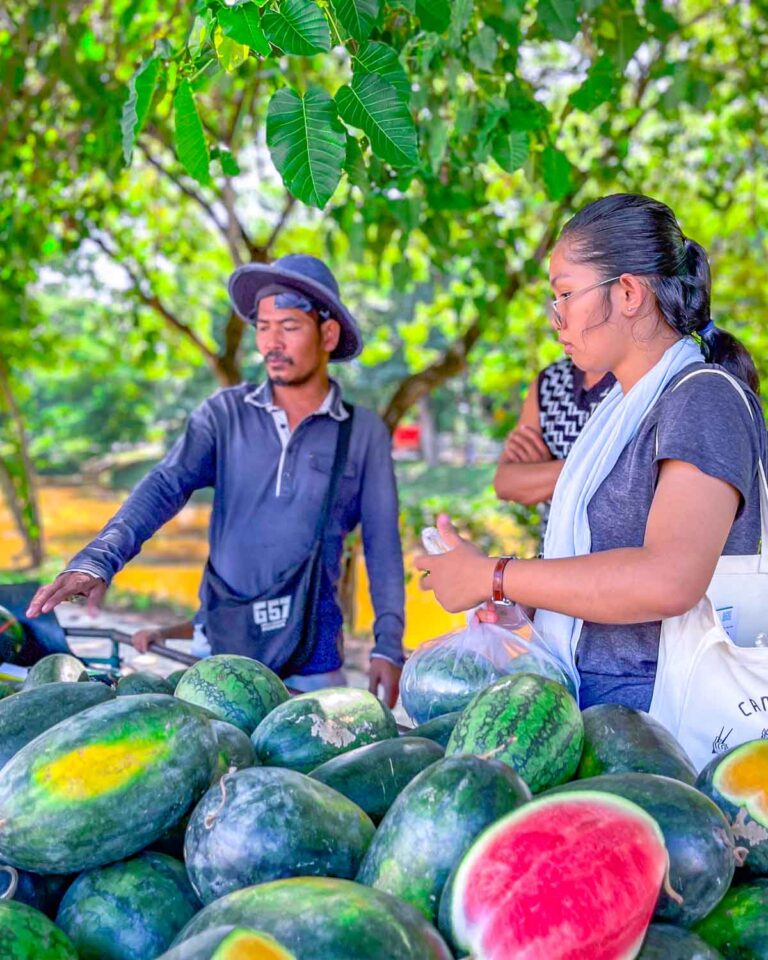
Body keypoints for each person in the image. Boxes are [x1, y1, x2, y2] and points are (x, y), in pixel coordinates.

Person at [417, 194, 766, 711]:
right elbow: (601, 572)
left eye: (564, 294)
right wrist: (526, 609)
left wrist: (494, 574)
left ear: (627, 293)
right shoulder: (618, 412)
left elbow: (668, 579)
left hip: (662, 732)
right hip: (599, 715)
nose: (556, 318)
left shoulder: (702, 398)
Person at [27, 254, 406, 706]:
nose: (271, 343)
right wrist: (97, 560)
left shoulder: (362, 433)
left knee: (302, 763)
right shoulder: (223, 415)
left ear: (328, 333)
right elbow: (165, 486)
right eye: (263, 327)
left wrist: (387, 643)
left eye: (288, 326)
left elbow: (383, 544)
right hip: (219, 649)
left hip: (313, 661)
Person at [494, 359, 614, 539]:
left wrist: (542, 472)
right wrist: (603, 468)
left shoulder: (636, 380)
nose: (558, 329)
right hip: (552, 554)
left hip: (614, 559)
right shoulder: (549, 381)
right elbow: (504, 483)